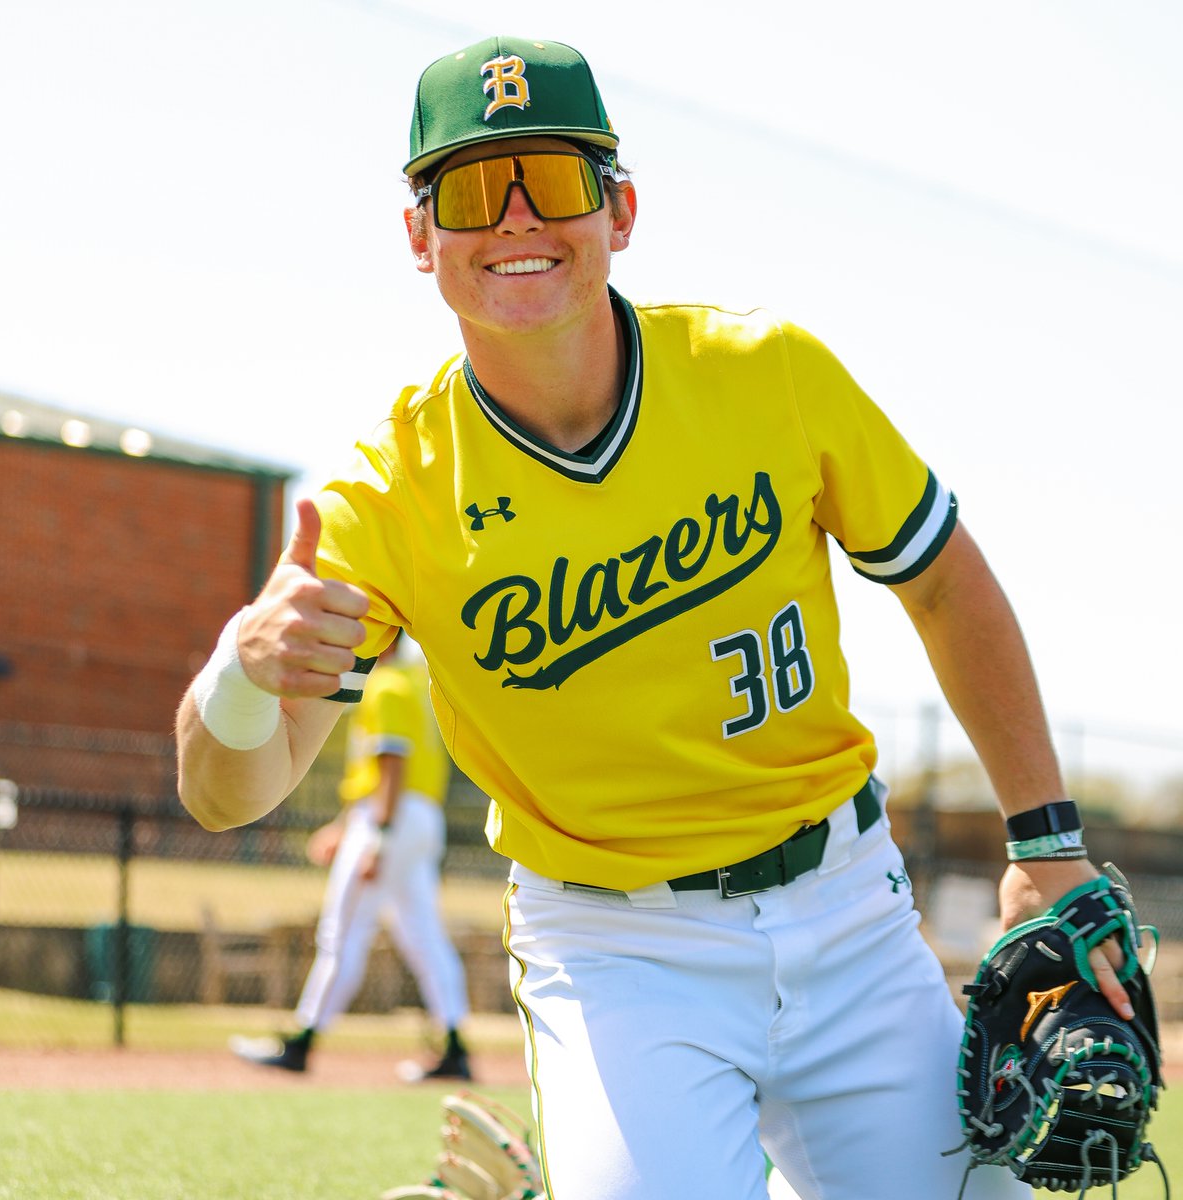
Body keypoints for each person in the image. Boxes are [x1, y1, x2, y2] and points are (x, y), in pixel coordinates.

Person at [176, 36, 1134, 1199]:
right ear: (420, 237)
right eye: (475, 188)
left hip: (849, 910)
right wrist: (240, 667)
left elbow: (943, 578)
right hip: (618, 950)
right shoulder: (384, 497)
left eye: (558, 179)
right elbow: (231, 792)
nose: (518, 218)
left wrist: (1042, 842)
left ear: (620, 209)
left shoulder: (764, 372)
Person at [229, 632, 471, 1080]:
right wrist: (346, 826)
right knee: (423, 936)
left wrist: (376, 836)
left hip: (388, 820)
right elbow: (390, 768)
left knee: (343, 933)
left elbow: (391, 765)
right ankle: (456, 1046)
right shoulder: (415, 685)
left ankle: (302, 1042)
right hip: (412, 818)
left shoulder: (387, 685)